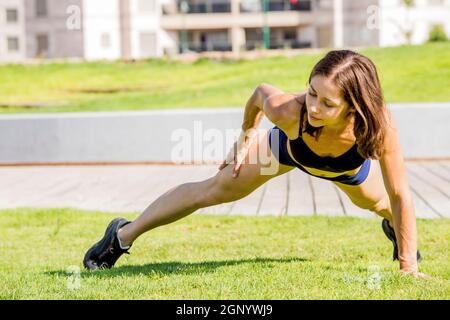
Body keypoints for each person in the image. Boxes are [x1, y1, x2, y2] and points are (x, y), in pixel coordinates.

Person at [83, 50, 429, 279]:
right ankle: (121, 235)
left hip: (347, 168)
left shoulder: (377, 126)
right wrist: (246, 135)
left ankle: (398, 238)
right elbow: (260, 93)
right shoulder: (291, 112)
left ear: (353, 107)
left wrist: (407, 266)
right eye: (311, 93)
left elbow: (401, 196)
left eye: (328, 103)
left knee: (382, 204)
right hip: (288, 150)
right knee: (214, 189)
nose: (314, 107)